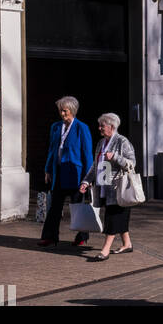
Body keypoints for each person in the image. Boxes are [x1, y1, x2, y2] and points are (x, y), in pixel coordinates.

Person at [79, 113, 136, 260]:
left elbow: (132, 163)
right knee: (119, 217)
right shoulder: (101, 143)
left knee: (111, 217)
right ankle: (127, 244)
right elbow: (95, 165)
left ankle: (105, 250)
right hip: (104, 187)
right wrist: (86, 181)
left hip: (118, 188)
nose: (99, 128)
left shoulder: (122, 141)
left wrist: (116, 157)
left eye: (102, 126)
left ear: (112, 126)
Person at [39, 96, 94, 248]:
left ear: (73, 111)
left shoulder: (81, 128)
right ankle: (49, 236)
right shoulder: (56, 127)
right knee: (54, 207)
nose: (62, 114)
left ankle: (82, 236)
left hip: (76, 175)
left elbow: (87, 154)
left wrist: (88, 178)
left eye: (65, 111)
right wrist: (48, 170)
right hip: (58, 174)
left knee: (78, 207)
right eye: (60, 111)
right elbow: (52, 150)